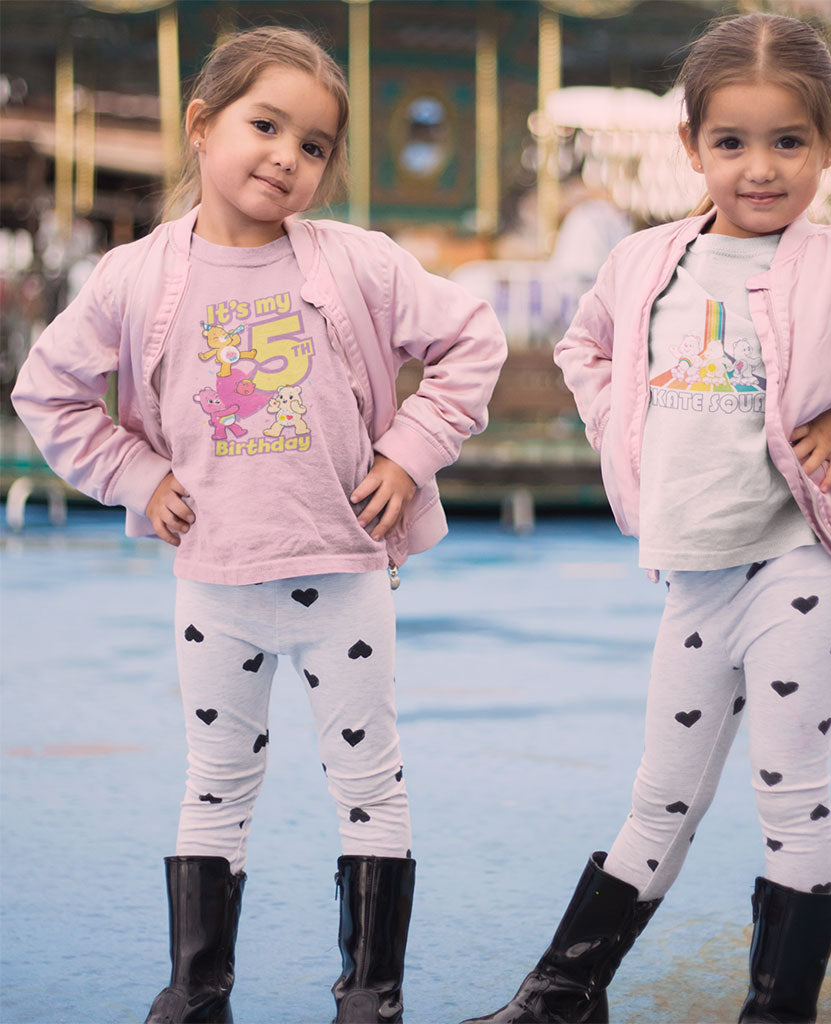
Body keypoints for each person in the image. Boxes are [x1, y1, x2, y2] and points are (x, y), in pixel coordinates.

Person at [460, 12, 831, 1024]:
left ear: (829, 144)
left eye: (787, 142)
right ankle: (563, 992)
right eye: (731, 142)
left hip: (797, 560)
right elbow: (588, 350)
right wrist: (619, 428)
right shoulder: (642, 264)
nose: (758, 168)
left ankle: (775, 1010)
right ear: (690, 147)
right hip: (694, 567)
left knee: (788, 787)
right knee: (660, 794)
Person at [12, 26, 505, 1024]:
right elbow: (47, 391)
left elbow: (470, 340)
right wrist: (136, 472)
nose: (287, 154)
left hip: (343, 575)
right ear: (202, 126)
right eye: (265, 124)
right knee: (215, 781)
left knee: (369, 779)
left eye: (315, 144)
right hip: (216, 581)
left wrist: (409, 452)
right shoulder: (135, 278)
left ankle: (370, 992)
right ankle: (197, 990)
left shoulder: (356, 263)